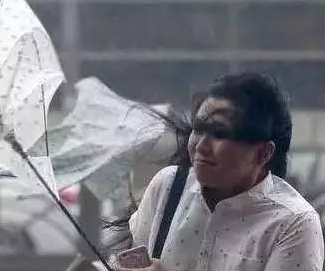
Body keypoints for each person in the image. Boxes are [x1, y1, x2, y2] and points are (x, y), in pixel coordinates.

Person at [112, 73, 324, 270]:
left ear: (264, 153)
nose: (201, 146)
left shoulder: (293, 224)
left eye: (220, 133)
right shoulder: (168, 187)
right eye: (198, 128)